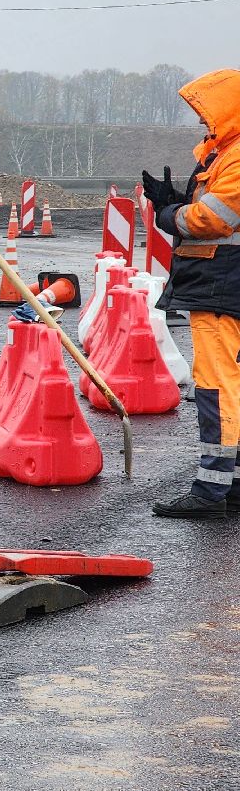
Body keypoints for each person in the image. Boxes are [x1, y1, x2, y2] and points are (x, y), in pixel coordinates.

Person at [148, 67, 240, 519]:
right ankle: (233, 483)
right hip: (222, 282)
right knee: (232, 384)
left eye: (207, 112)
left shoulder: (238, 157)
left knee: (216, 386)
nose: (203, 122)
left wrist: (170, 213)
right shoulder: (223, 156)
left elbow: (213, 219)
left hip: (222, 284)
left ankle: (210, 491)